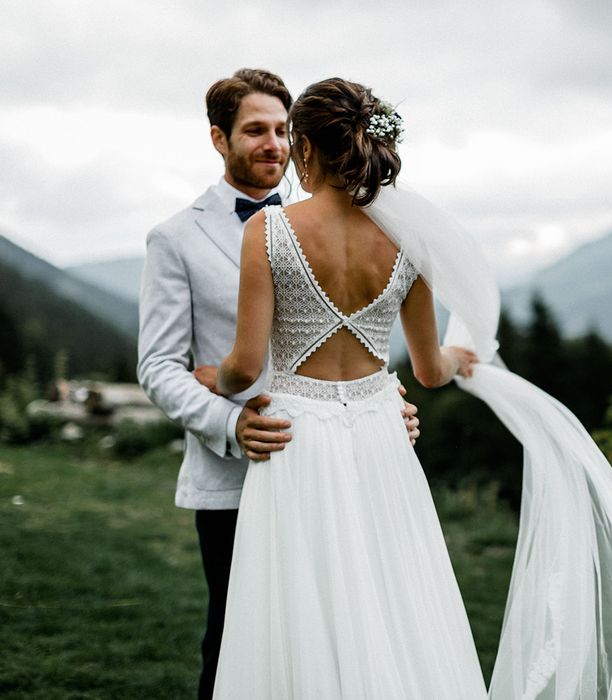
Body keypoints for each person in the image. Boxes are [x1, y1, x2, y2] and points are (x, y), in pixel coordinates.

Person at [198, 78, 612, 699]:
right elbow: (428, 370)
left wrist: (216, 377)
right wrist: (463, 355)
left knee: (302, 603)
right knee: (395, 596)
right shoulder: (408, 240)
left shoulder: (267, 232)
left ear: (307, 151)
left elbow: (244, 366)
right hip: (381, 432)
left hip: (296, 439)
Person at [137, 69, 421, 700]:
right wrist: (231, 424)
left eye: (280, 131)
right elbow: (157, 365)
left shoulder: (320, 223)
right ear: (219, 139)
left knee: (346, 637)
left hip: (340, 471)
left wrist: (379, 403)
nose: (272, 144)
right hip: (235, 478)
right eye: (254, 131)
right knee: (243, 648)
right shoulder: (175, 238)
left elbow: (355, 335)